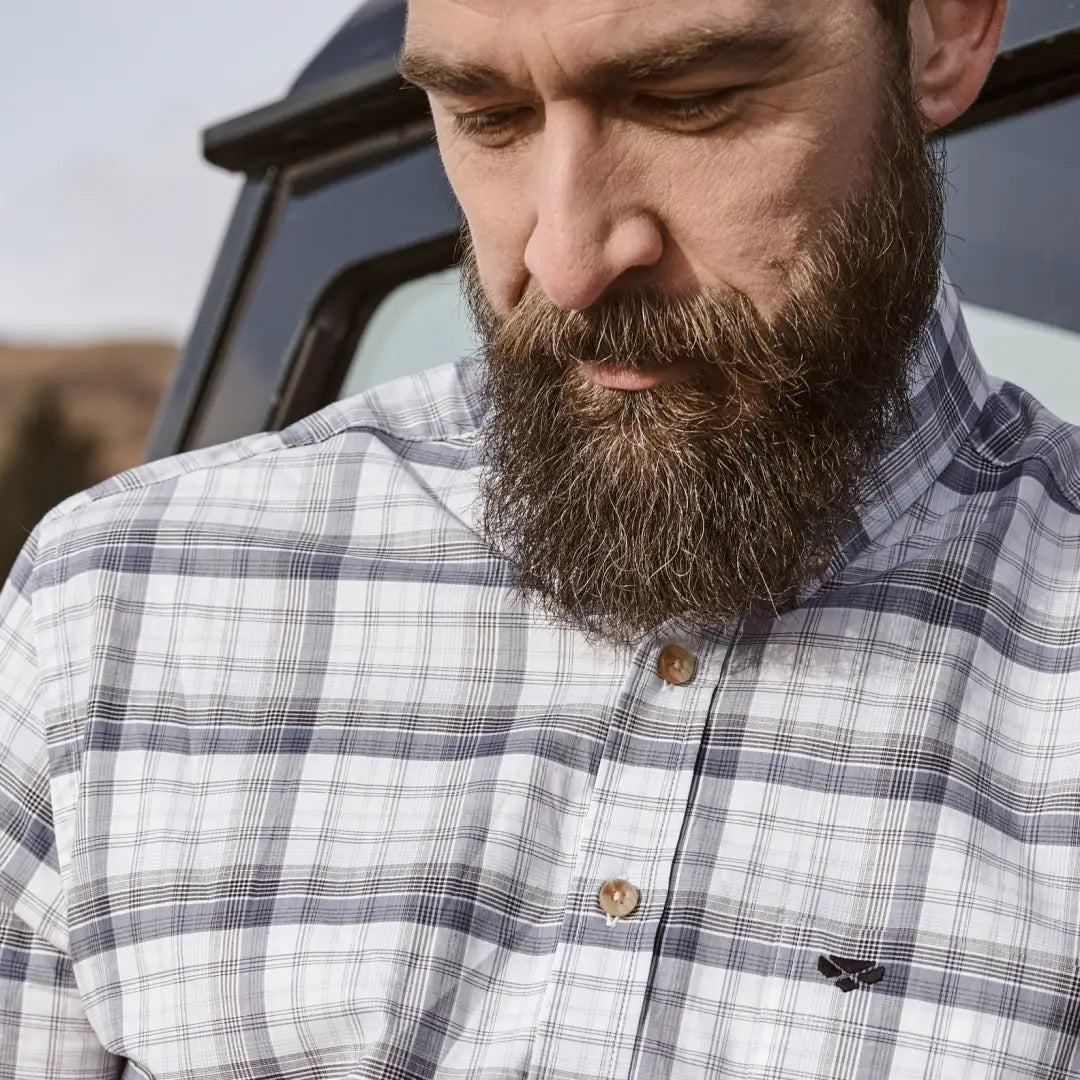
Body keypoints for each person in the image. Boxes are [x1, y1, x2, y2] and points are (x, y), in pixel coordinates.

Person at [2, 0, 1077, 1076]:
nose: (567, 262)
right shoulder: (115, 605)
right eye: (488, 115)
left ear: (946, 35)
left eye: (689, 102)